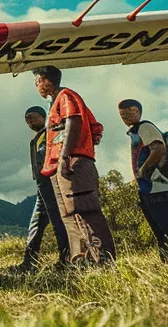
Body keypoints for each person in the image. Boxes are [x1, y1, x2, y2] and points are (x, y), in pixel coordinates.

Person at [32, 65, 116, 266]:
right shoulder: (55, 102)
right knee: (68, 214)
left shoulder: (66, 96)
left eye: (37, 82)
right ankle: (80, 260)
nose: (37, 87)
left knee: (84, 210)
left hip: (71, 162)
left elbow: (74, 121)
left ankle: (102, 258)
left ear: (47, 81)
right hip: (58, 167)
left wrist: (65, 156)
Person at [118, 99, 168, 260]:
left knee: (167, 226)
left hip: (157, 187)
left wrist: (143, 170)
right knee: (159, 229)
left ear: (137, 111)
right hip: (148, 188)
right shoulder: (137, 131)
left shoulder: (145, 127)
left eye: (128, 112)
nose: (124, 116)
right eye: (121, 114)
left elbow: (159, 148)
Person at [17, 105, 71, 270]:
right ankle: (29, 260)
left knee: (58, 221)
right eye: (27, 119)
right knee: (36, 223)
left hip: (52, 183)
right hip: (42, 186)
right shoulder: (36, 139)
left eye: (32, 117)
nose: (30, 121)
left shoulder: (51, 134)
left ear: (43, 117)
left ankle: (66, 258)